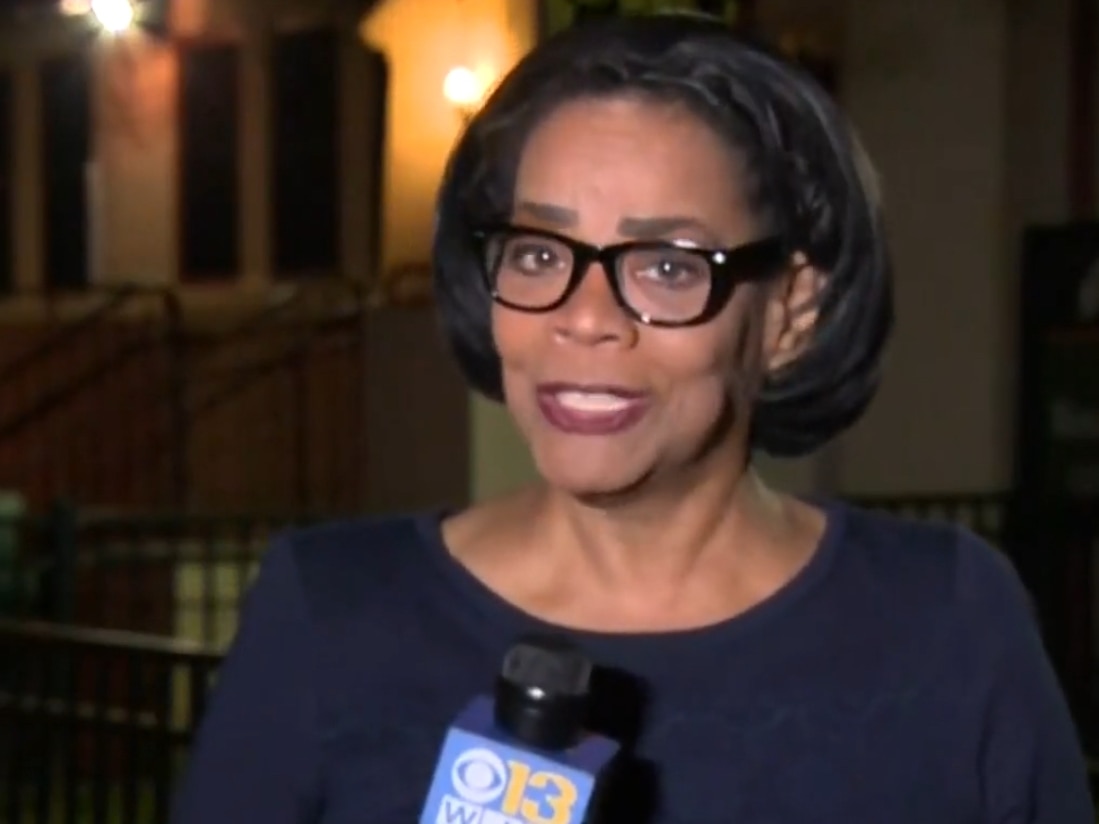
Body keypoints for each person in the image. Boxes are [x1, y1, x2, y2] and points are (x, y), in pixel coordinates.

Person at [171, 13, 1094, 824]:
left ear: (788, 313)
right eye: (539, 253)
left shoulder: (945, 619)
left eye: (666, 267)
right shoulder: (329, 613)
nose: (582, 317)